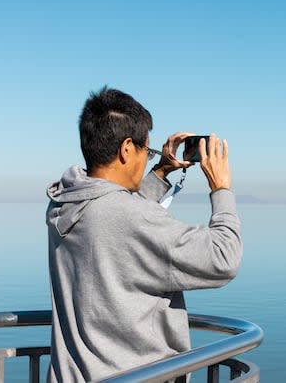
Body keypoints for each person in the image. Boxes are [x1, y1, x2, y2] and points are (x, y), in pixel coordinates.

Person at [45, 87, 242, 382]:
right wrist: (221, 188)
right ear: (126, 149)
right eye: (145, 152)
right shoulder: (134, 218)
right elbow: (223, 259)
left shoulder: (63, 202)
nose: (146, 160)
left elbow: (115, 221)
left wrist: (160, 172)